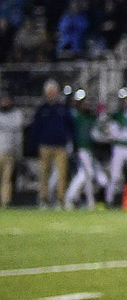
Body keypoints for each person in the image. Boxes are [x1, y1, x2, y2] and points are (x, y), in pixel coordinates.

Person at [30, 79, 73, 208]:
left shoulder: (63, 109)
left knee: (62, 175)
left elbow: (70, 127)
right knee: (44, 174)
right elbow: (35, 128)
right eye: (50, 92)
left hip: (61, 146)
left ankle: (60, 200)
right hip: (45, 146)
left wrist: (69, 142)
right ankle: (44, 199)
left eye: (54, 92)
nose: (52, 94)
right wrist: (35, 144)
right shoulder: (42, 110)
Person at [64, 89, 108, 210]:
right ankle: (77, 199)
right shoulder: (75, 116)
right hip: (80, 150)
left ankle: (81, 199)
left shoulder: (92, 118)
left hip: (90, 151)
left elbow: (99, 133)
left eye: (88, 104)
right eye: (84, 103)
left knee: (90, 176)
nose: (87, 105)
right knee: (86, 174)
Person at [0, 91, 25, 208]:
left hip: (10, 152)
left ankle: (5, 202)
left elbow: (19, 136)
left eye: (7, 100)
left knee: (7, 179)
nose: (5, 102)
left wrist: (18, 153)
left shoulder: (16, 115)